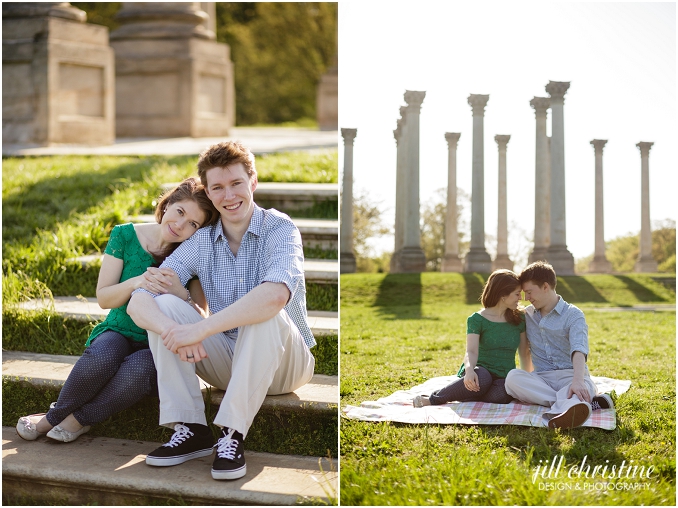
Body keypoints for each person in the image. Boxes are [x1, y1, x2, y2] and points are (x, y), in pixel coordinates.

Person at [126, 141, 316, 481]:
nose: (229, 195)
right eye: (218, 187)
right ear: (209, 194)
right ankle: (191, 429)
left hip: (286, 364)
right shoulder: (201, 241)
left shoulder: (280, 228)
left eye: (236, 184)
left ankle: (231, 433)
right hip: (229, 359)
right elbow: (139, 300)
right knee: (164, 303)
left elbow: (274, 298)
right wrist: (173, 329)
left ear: (252, 182)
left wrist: (199, 329)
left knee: (263, 309)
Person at [16, 178, 219, 443]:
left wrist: (179, 293)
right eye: (180, 212)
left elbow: (200, 316)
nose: (181, 225)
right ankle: (51, 418)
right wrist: (137, 281)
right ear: (167, 204)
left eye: (193, 224)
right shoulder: (125, 235)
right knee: (102, 356)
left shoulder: (190, 253)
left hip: (158, 342)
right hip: (118, 329)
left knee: (136, 372)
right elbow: (104, 297)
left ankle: (77, 421)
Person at [503, 261, 613, 430]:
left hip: (570, 375)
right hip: (542, 378)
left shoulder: (573, 315)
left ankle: (574, 402)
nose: (526, 298)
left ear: (545, 286)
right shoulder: (528, 314)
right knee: (512, 379)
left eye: (529, 292)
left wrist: (577, 381)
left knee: (581, 387)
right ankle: (578, 404)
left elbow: (579, 349)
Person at [413, 269, 532, 408]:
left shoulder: (520, 318)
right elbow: (471, 351)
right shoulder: (477, 319)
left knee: (501, 395)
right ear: (502, 295)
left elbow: (524, 352)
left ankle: (468, 393)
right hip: (479, 370)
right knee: (483, 379)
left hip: (503, 376)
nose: (520, 298)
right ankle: (434, 399)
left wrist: (526, 380)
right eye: (517, 294)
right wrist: (469, 371)